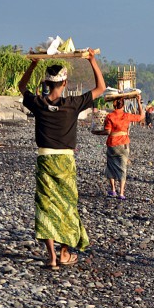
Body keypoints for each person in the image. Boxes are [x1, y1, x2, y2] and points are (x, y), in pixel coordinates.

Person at [18, 49, 106, 270]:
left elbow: (21, 87)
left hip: (45, 160)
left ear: (47, 83)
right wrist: (92, 61)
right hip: (65, 162)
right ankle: (64, 252)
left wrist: (33, 64)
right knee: (68, 206)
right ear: (65, 83)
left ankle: (52, 258)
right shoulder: (72, 104)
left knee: (46, 206)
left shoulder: (38, 102)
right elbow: (101, 89)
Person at [94, 95, 144, 200]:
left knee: (111, 166)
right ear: (123, 105)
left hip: (112, 144)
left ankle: (113, 190)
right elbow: (141, 116)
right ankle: (121, 193)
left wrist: (97, 132)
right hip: (124, 144)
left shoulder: (110, 116)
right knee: (123, 168)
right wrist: (139, 102)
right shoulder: (126, 115)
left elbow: (107, 131)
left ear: (114, 104)